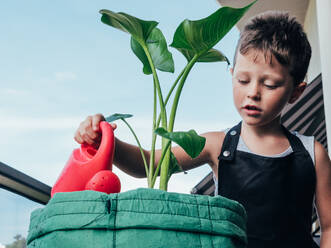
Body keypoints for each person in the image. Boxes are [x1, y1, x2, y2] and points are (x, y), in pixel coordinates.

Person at [74, 11, 331, 248]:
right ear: (232, 75)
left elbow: (329, 227)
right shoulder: (216, 145)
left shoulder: (313, 153)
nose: (253, 93)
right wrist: (105, 141)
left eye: (270, 84)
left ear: (297, 92)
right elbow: (149, 164)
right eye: (243, 80)